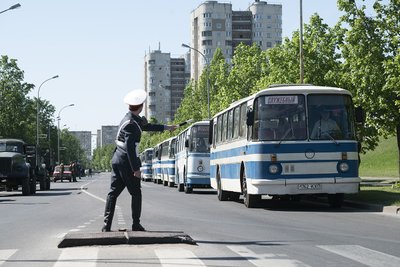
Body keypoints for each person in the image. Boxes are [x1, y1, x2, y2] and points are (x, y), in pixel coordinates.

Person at [102, 89, 177, 232]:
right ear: (141, 106)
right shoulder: (131, 124)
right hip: (126, 161)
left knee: (113, 193)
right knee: (136, 193)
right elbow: (130, 147)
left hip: (117, 159)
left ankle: (106, 226)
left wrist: (167, 128)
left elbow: (147, 126)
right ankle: (136, 224)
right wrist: (135, 169)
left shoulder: (129, 118)